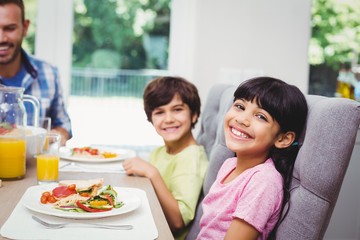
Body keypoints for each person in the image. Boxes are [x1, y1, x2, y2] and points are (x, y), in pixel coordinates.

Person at [196, 77, 308, 240]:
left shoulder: (263, 182)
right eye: (240, 106)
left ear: (282, 139)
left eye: (261, 117)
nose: (241, 119)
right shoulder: (229, 164)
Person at [122, 76, 208, 239]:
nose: (168, 119)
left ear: (194, 115)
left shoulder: (191, 158)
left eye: (177, 109)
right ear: (151, 119)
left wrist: (152, 173)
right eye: (160, 112)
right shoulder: (159, 152)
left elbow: (177, 222)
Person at [0, 0, 72, 145]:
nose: (1, 38)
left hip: (35, 165)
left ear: (25, 27)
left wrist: (57, 136)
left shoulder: (48, 73)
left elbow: (64, 125)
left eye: (10, 28)